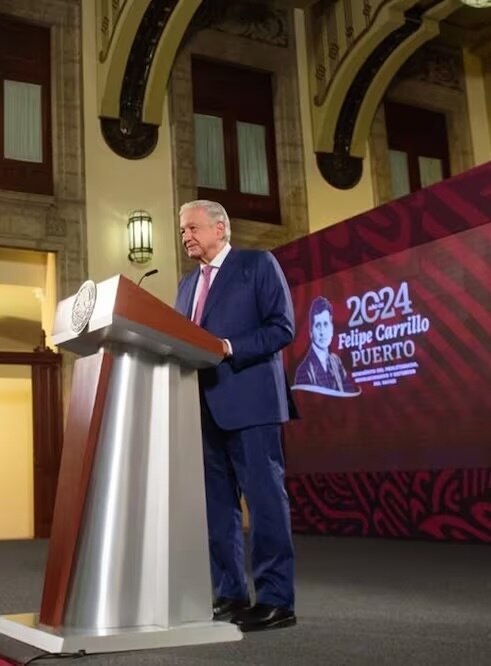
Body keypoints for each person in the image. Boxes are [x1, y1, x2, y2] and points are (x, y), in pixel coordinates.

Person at [174, 199, 297, 632]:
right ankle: (228, 594)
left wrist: (229, 346)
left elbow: (282, 327)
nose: (185, 235)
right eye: (182, 229)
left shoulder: (258, 264)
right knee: (217, 508)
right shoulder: (186, 286)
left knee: (264, 503)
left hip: (252, 405)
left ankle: (276, 600)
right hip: (201, 408)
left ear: (220, 228)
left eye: (192, 227)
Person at [293, 296, 359, 396]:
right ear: (311, 332)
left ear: (332, 329)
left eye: (326, 324)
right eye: (318, 325)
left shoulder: (336, 361)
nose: (322, 332)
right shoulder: (304, 371)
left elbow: (349, 395)